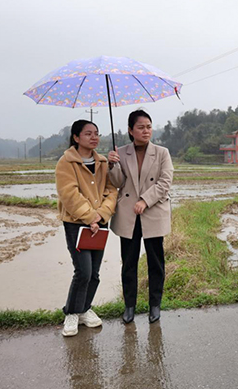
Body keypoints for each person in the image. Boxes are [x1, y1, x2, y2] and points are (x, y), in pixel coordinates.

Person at [107, 109, 174, 324]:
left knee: (156, 262)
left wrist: (145, 200)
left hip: (152, 212)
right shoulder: (122, 152)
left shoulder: (162, 152)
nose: (146, 131)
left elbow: (165, 182)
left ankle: (155, 304)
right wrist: (112, 164)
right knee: (129, 263)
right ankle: (129, 306)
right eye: (141, 127)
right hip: (128, 215)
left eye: (148, 127)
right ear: (130, 130)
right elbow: (117, 183)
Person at [56, 120, 118, 337]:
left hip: (100, 223)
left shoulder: (102, 162)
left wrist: (101, 214)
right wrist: (91, 216)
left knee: (95, 273)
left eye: (97, 134)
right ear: (76, 137)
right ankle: (71, 312)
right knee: (83, 271)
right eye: (88, 134)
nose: (94, 137)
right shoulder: (66, 162)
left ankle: (84, 309)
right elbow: (69, 194)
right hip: (76, 224)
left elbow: (111, 190)